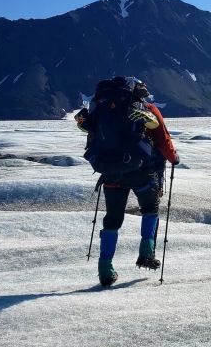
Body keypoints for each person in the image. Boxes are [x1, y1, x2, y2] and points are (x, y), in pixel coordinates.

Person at [75, 77, 179, 287]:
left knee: (112, 220)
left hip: (110, 172)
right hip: (141, 171)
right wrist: (173, 158)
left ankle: (105, 269)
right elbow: (162, 139)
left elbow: (93, 136)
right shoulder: (146, 109)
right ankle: (146, 254)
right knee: (150, 209)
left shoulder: (100, 110)